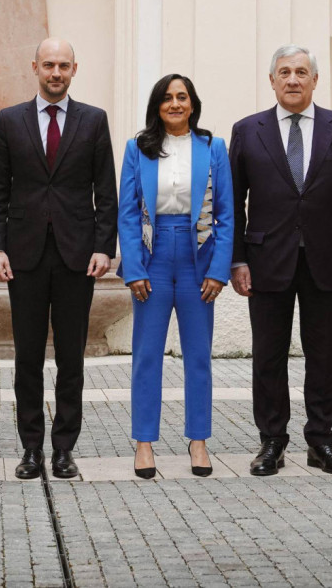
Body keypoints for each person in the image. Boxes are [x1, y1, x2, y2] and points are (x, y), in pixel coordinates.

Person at [230, 45, 332, 476]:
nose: (293, 80)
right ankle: (271, 440)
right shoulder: (247, 130)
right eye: (285, 72)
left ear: (315, 80)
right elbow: (234, 203)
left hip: (326, 260)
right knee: (268, 355)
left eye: (302, 72)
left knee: (324, 354)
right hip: (265, 260)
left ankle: (321, 441)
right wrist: (236, 260)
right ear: (271, 80)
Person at [0, 38, 118, 480]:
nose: (56, 72)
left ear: (74, 69)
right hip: (23, 256)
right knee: (26, 357)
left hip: (76, 256)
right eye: (48, 65)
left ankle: (64, 449)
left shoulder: (94, 121)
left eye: (63, 65)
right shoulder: (9, 120)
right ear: (35, 67)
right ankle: (30, 449)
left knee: (71, 359)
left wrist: (104, 247)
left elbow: (107, 191)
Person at [118, 74, 234, 479]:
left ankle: (198, 440)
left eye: (182, 97)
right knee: (146, 355)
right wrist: (132, 268)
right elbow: (129, 213)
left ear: (192, 103)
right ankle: (144, 443)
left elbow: (227, 213)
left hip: (196, 256)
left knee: (198, 356)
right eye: (167, 98)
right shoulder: (138, 149)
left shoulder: (213, 147)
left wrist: (219, 270)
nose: (175, 104)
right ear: (157, 105)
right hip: (152, 256)